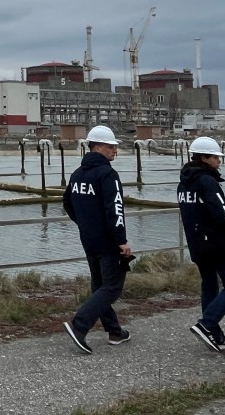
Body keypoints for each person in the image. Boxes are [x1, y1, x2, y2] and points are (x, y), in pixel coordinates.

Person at [62, 125, 132, 354]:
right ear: (98, 147)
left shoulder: (77, 174)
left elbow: (68, 204)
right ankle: (79, 325)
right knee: (112, 287)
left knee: (99, 285)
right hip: (108, 240)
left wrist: (85, 225)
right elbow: (116, 209)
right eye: (112, 146)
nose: (115, 151)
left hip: (88, 238)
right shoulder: (107, 174)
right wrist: (121, 239)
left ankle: (114, 331)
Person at [178, 136, 225, 352]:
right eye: (216, 157)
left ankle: (215, 336)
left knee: (209, 285)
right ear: (205, 158)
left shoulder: (183, 183)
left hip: (197, 244)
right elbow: (222, 212)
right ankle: (206, 325)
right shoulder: (207, 181)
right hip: (217, 244)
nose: (219, 162)